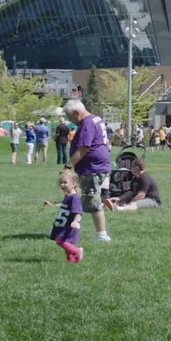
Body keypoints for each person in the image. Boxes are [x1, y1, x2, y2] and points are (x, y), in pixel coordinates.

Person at [62, 99, 112, 242]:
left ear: (77, 113)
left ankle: (101, 234)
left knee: (92, 201)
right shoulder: (96, 119)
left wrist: (68, 166)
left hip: (92, 168)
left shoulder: (87, 123)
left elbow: (83, 148)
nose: (69, 120)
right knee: (76, 199)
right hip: (98, 166)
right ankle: (65, 229)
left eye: (69, 116)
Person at [43, 170, 83, 262]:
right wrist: (51, 205)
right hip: (62, 224)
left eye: (65, 182)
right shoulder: (68, 196)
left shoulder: (74, 198)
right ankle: (71, 260)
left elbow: (78, 211)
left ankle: (76, 251)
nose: (62, 185)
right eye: (61, 183)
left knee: (60, 240)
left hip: (69, 225)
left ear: (74, 183)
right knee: (65, 242)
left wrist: (75, 221)